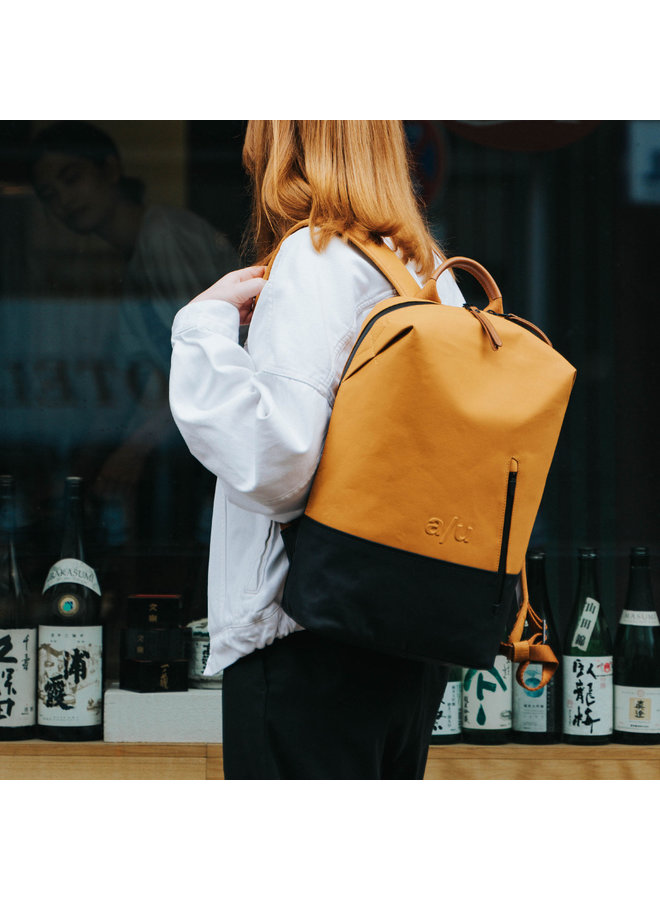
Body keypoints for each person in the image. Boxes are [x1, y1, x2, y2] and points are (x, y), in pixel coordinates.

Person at [169, 120, 466, 779]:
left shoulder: (316, 255)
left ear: (286, 143)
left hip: (306, 643)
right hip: (406, 637)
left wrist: (201, 328)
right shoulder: (429, 272)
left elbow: (275, 462)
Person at [28, 121, 241, 559]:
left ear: (110, 170)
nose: (63, 200)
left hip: (222, 440)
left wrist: (134, 450)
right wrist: (82, 470)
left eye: (71, 178)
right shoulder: (134, 258)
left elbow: (202, 358)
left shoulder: (163, 235)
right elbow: (144, 381)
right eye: (50, 194)